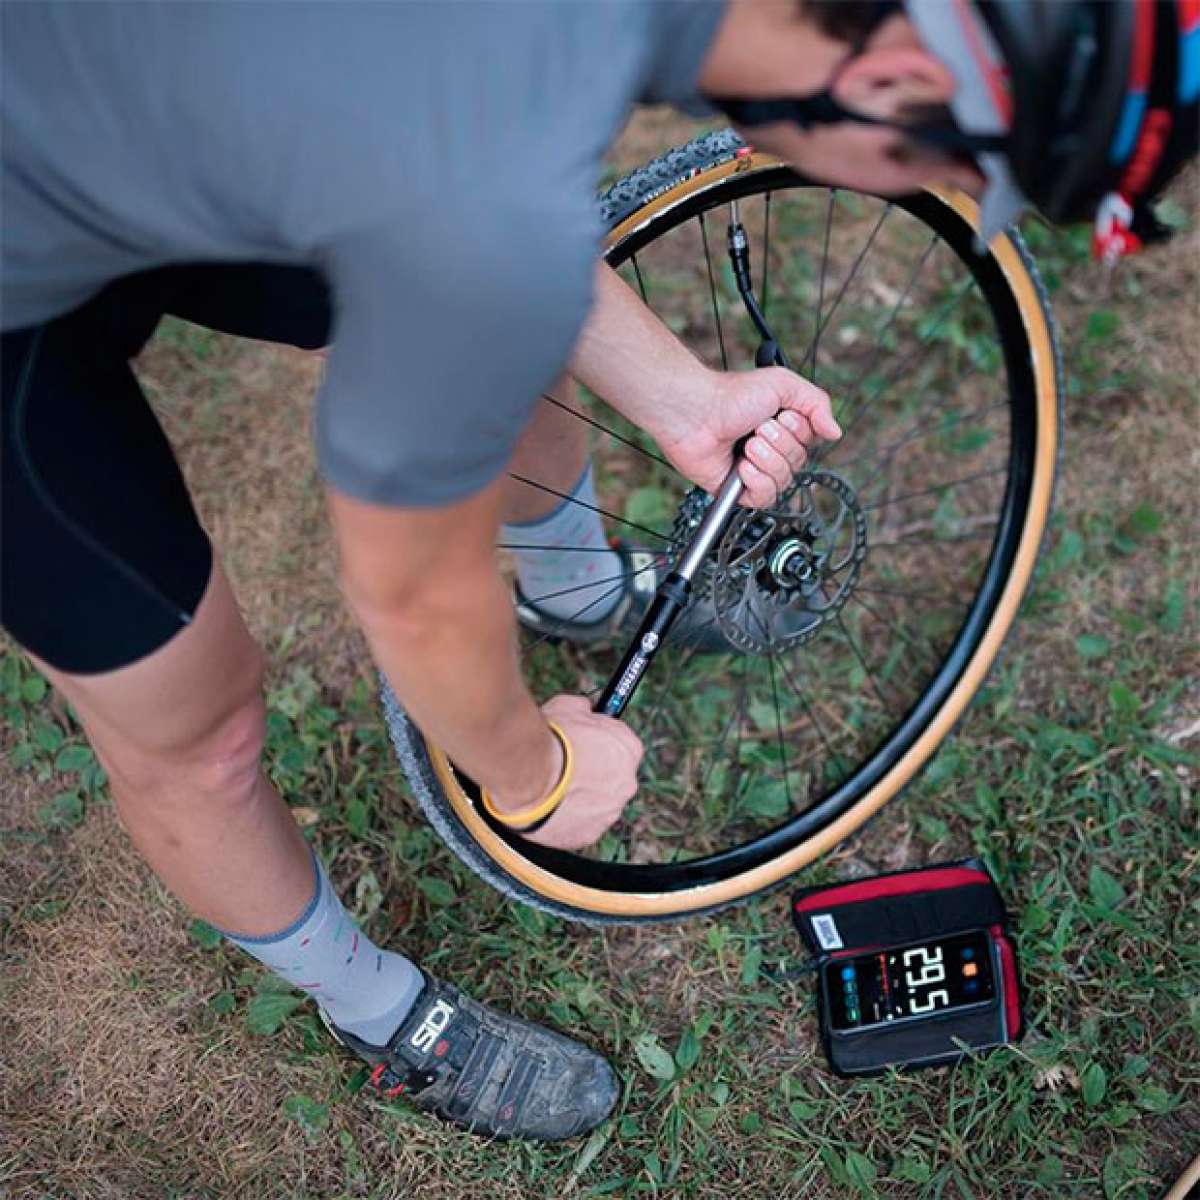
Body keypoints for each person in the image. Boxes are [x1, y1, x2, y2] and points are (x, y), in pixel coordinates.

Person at [2, 0, 1194, 1143]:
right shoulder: (467, 182)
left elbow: (490, 200)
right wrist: (532, 776)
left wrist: (681, 394)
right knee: (189, 727)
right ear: (884, 85)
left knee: (509, 324)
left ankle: (570, 588)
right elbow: (412, 582)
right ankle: (372, 1006)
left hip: (170, 98)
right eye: (944, 176)